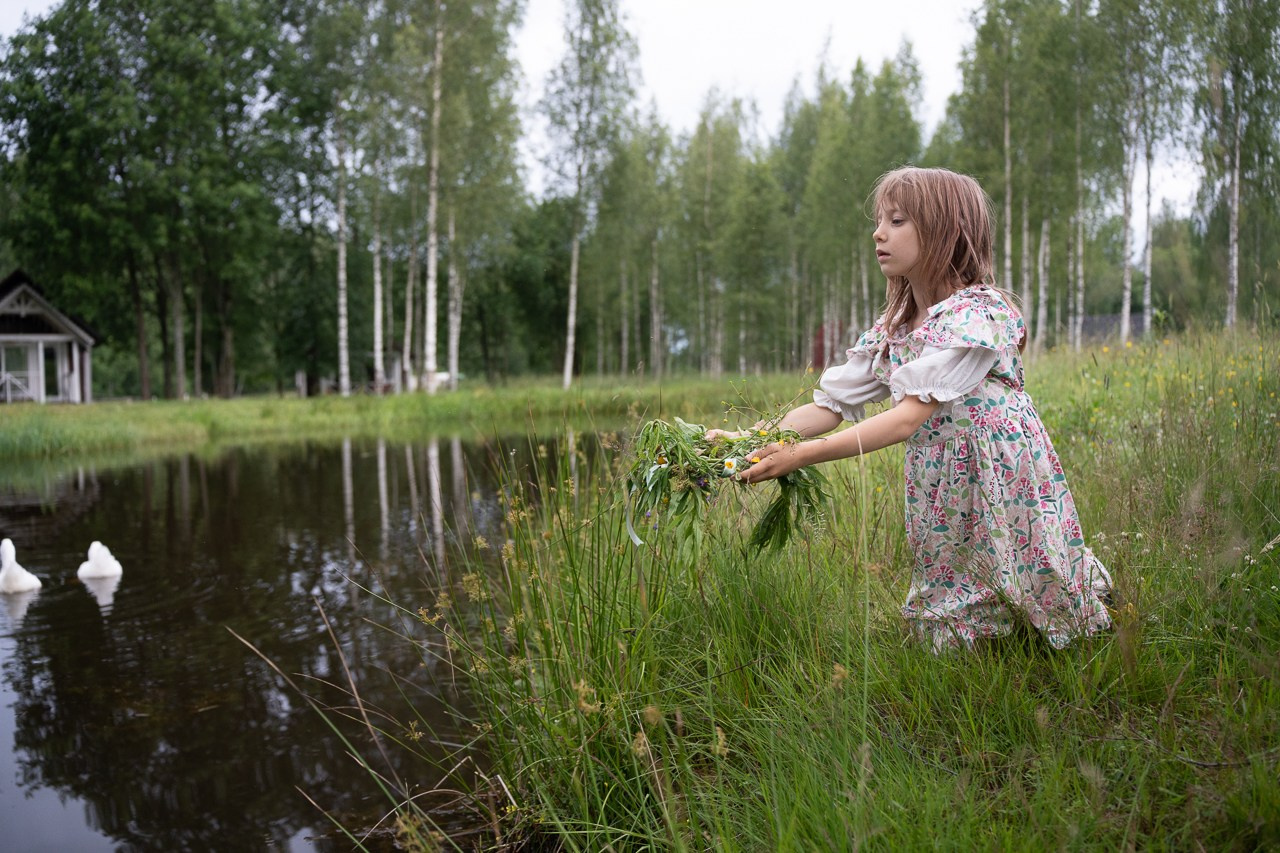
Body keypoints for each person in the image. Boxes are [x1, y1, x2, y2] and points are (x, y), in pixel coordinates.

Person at [713, 166, 1112, 652]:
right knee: (950, 597)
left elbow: (906, 419)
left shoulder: (976, 315)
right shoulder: (896, 328)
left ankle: (1055, 634)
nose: (878, 232)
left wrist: (800, 456)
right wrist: (746, 442)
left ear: (944, 230)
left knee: (1035, 569)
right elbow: (829, 406)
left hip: (1002, 473)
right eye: (881, 220)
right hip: (940, 479)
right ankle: (978, 640)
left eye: (897, 220)